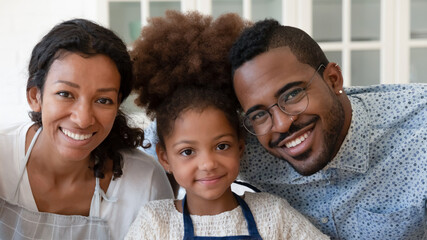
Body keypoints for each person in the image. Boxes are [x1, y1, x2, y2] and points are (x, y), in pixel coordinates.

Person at [125, 11, 329, 239]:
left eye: (222, 146)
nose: (208, 164)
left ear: (240, 146)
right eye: (188, 151)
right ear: (164, 158)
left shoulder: (273, 214)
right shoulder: (155, 223)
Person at [228, 19, 427, 239]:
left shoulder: (419, 130)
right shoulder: (242, 150)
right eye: (259, 114)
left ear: (334, 80)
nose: (282, 124)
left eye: (292, 94)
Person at [0, 19, 173, 240]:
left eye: (103, 100)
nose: (83, 120)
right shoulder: (2, 155)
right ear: (36, 96)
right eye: (65, 94)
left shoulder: (144, 181)